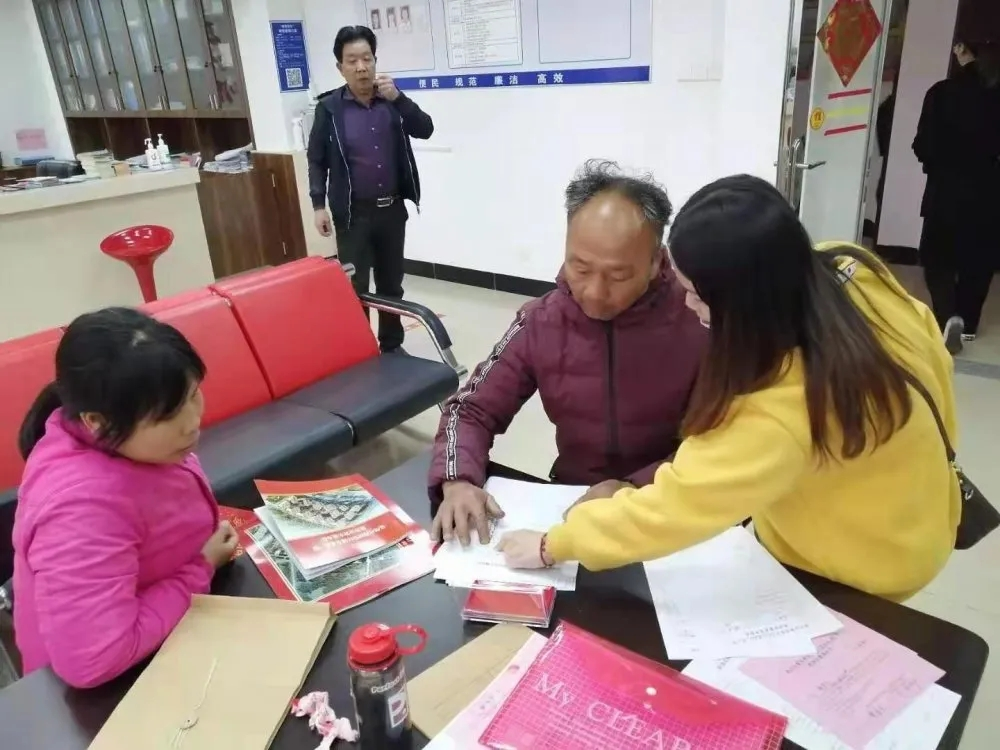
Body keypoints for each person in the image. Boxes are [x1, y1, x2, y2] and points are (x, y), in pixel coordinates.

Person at [497, 175, 960, 603]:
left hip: (857, 564)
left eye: (699, 295)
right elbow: (935, 358)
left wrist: (554, 544)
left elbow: (677, 505)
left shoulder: (778, 404)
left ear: (744, 302)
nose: (687, 303)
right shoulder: (848, 268)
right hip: (922, 510)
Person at [429, 160, 707, 546]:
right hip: (572, 502)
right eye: (581, 268)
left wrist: (635, 486)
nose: (595, 292)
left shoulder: (699, 319)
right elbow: (471, 410)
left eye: (619, 275)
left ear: (656, 262)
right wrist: (458, 480)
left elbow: (729, 439)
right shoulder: (543, 321)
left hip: (674, 505)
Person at [12, 308, 237, 687]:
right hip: (104, 695)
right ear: (96, 421)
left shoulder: (136, 445)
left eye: (192, 396)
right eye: (166, 416)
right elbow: (95, 659)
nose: (191, 423)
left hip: (173, 631)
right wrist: (200, 567)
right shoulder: (80, 507)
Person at [308, 25, 434, 353]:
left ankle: (392, 346)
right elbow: (316, 159)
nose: (361, 67)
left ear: (375, 60)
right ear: (340, 67)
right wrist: (318, 204)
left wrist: (400, 98)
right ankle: (361, 350)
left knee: (391, 284)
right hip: (353, 215)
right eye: (352, 60)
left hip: (392, 210)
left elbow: (425, 129)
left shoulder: (391, 101)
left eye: (367, 58)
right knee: (355, 286)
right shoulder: (329, 108)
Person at [913, 39, 1000, 354]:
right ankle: (969, 323)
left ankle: (948, 316)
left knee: (938, 260)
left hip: (946, 191)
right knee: (979, 262)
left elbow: (922, 146)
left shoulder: (941, 93)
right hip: (990, 194)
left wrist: (938, 163)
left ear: (962, 51)